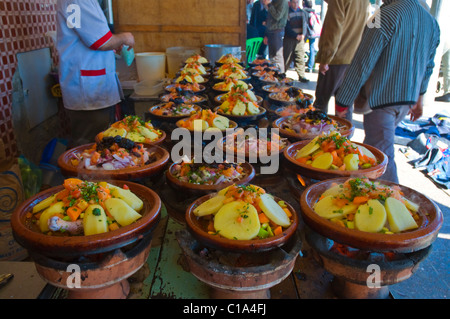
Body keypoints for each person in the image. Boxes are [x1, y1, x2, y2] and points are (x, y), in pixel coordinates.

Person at [335, 0, 440, 183]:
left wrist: (343, 100)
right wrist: (419, 98)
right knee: (376, 149)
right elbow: (429, 65)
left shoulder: (384, 16)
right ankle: (363, 193)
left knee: (380, 158)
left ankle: (394, 201)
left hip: (382, 99)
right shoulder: (430, 21)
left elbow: (362, 62)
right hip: (407, 99)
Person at [56, 0, 135, 147]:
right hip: (87, 88)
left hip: (93, 84)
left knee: (102, 143)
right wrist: (124, 37)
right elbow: (100, 41)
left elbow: (93, 36)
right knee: (89, 145)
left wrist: (114, 44)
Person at [313, 0, 370, 121]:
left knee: (320, 105)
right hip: (352, 58)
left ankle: (317, 137)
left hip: (335, 60)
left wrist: (325, 59)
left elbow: (333, 30)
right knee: (344, 105)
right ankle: (344, 138)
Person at [283, 0, 309, 83]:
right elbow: (286, 27)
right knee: (287, 57)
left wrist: (303, 35)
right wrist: (295, 35)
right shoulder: (287, 13)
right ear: (290, 3)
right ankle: (283, 73)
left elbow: (305, 25)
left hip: (300, 39)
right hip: (290, 39)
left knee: (300, 57)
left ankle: (302, 76)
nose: (295, 4)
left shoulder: (302, 12)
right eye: (294, 2)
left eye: (297, 2)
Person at [264, 0, 289, 73]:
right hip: (271, 32)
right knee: (272, 58)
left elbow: (277, 16)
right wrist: (266, 34)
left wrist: (269, 5)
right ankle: (274, 77)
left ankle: (280, 78)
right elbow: (269, 19)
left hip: (277, 32)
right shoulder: (274, 2)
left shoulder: (282, 2)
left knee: (277, 57)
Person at [302, 0, 319, 73]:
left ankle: (300, 65)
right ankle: (310, 67)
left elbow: (304, 24)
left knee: (301, 48)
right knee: (312, 49)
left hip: (306, 33)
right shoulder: (313, 12)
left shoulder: (304, 12)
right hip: (313, 33)